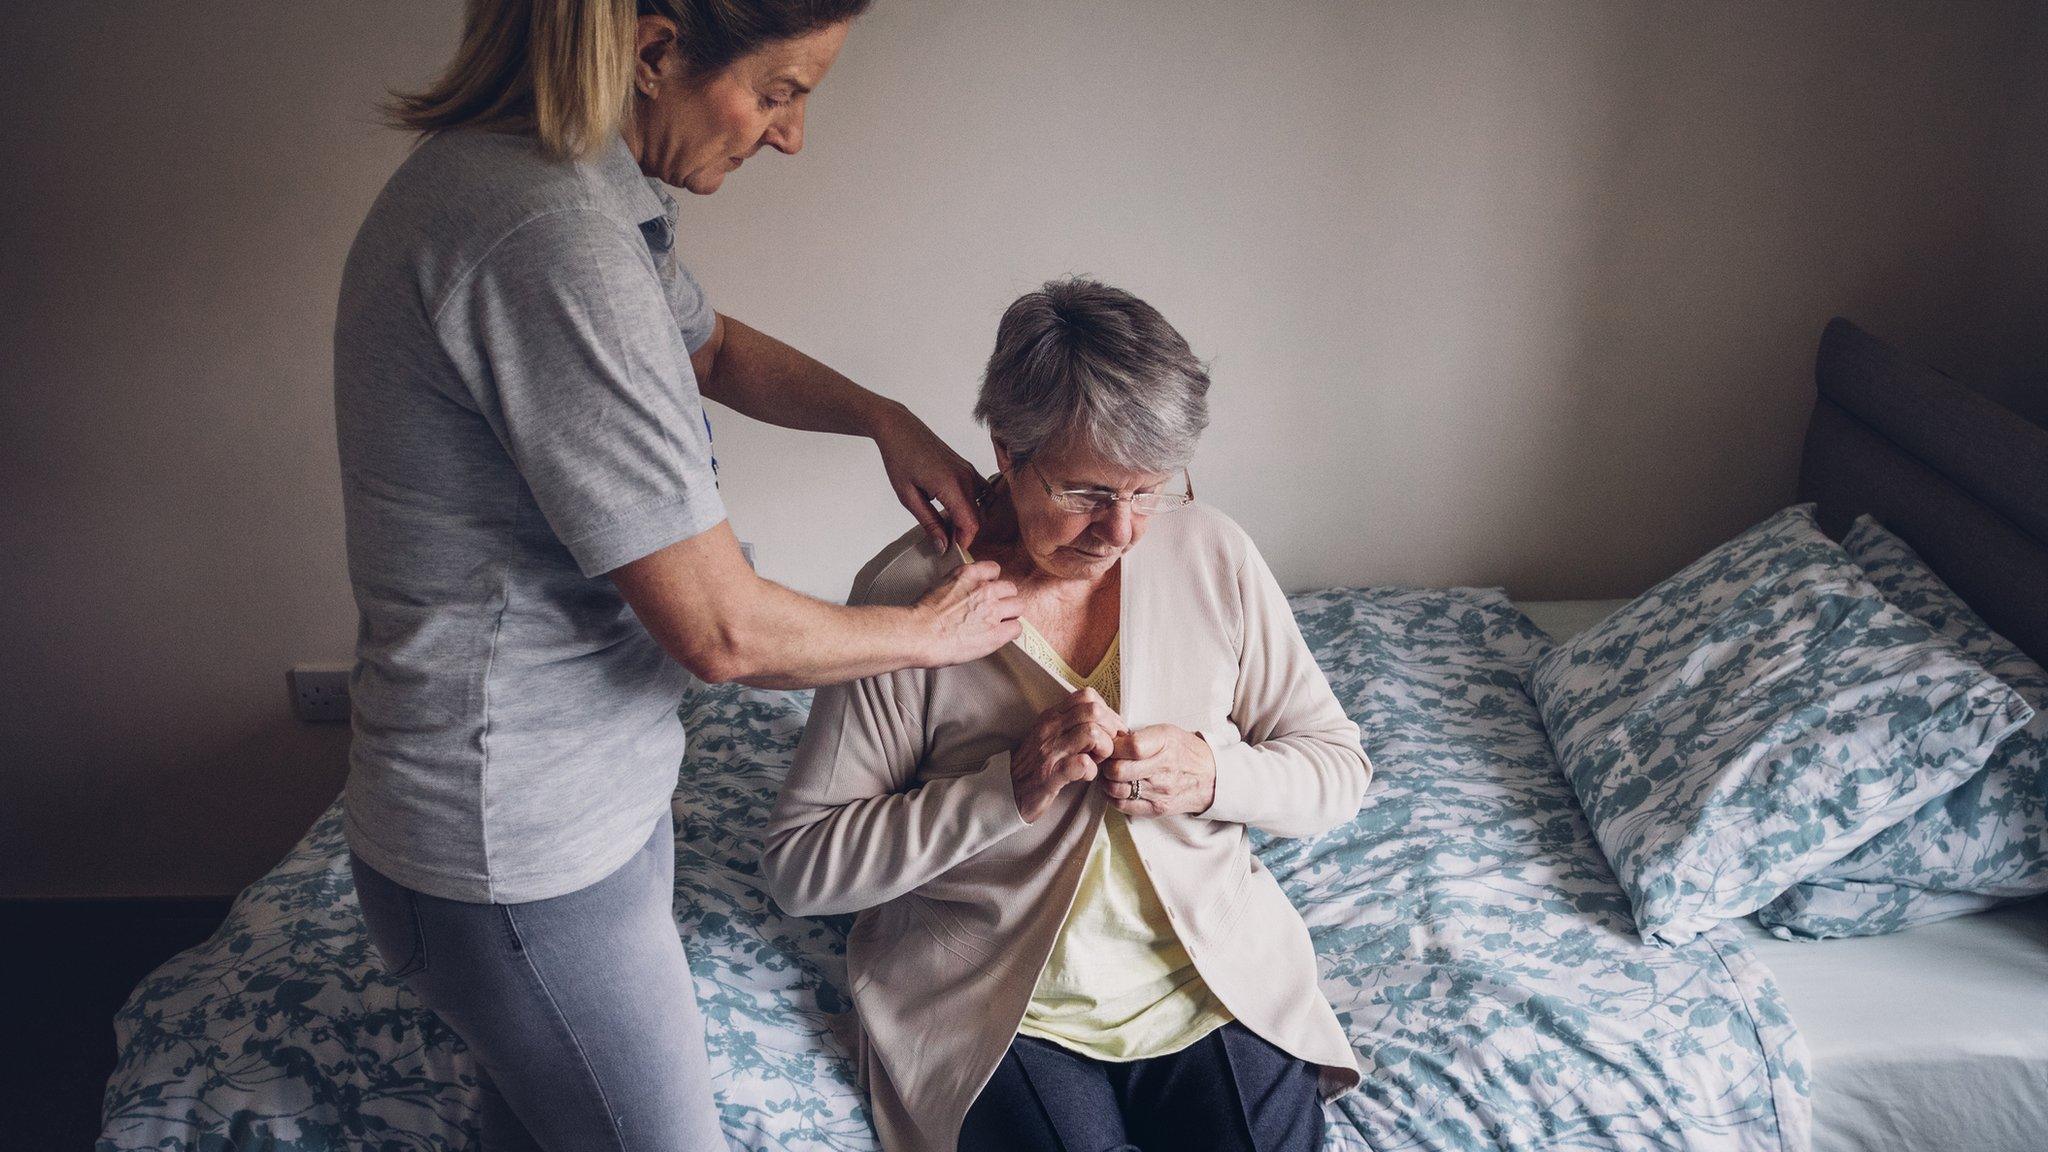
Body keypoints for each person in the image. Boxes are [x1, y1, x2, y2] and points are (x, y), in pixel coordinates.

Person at [332, 2, 1023, 1148]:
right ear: (653, 52)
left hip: (563, 807)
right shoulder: (544, 235)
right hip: (515, 845)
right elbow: (721, 633)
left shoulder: (571, 188)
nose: (791, 135)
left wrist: (878, 417)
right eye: (780, 90)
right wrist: (933, 631)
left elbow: (704, 345)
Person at [760, 278, 1370, 1152]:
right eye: (1085, 492)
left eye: (1150, 490)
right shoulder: (910, 596)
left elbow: (1338, 770)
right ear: (1008, 453)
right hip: (997, 1004)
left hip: (1209, 979)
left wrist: (1213, 774)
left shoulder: (1214, 554)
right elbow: (801, 866)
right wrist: (1002, 789)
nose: (1121, 529)